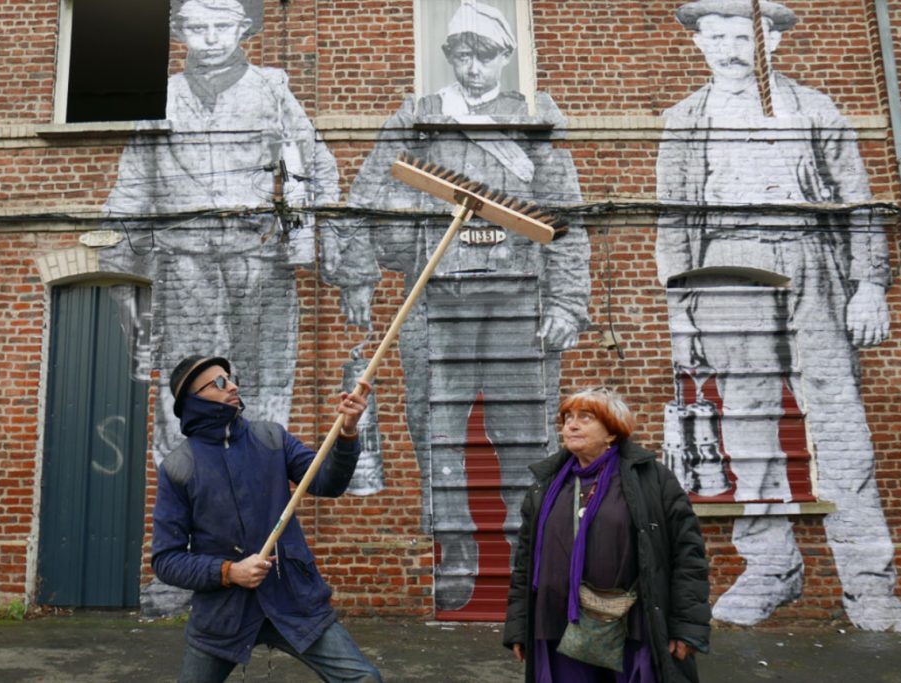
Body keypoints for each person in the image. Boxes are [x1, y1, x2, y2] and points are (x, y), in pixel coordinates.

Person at [656, 0, 901, 632]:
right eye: (713, 37)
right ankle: (771, 567)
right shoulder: (683, 119)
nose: (726, 48)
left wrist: (870, 287)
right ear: (699, 45)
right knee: (746, 421)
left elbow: (860, 202)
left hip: (812, 260)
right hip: (725, 265)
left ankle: (870, 585)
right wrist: (682, 313)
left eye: (740, 35)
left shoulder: (815, 108)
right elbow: (670, 220)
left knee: (840, 423)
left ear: (770, 40)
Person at [324, 0, 590, 611]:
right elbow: (365, 196)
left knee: (524, 436)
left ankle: (530, 559)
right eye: (461, 54)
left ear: (505, 56)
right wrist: (359, 276)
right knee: (436, 432)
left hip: (518, 299)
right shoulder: (418, 116)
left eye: (486, 54)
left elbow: (568, 218)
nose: (473, 66)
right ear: (449, 57)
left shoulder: (533, 117)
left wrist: (569, 304)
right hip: (432, 299)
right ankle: (455, 556)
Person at [100, 0, 340, 474]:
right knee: (189, 376)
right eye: (197, 27)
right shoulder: (160, 96)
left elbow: (318, 167)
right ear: (181, 33)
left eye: (221, 27)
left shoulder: (271, 89)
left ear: (243, 29)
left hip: (260, 261)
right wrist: (123, 279)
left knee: (266, 378)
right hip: (185, 265)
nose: (210, 38)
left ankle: (264, 478)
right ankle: (190, 484)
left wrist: (312, 240)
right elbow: (132, 187)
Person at [152, 354, 382, 683]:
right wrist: (229, 572)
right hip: (223, 615)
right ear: (193, 398)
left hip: (293, 601)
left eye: (230, 377)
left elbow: (327, 482)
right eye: (219, 382)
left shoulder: (271, 439)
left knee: (364, 679)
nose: (232, 386)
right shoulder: (179, 467)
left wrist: (347, 432)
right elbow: (166, 559)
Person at [503, 388, 710, 682]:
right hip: (557, 625)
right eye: (567, 418)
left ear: (612, 432)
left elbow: (688, 555)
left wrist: (687, 626)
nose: (571, 426)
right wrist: (519, 625)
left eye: (585, 418)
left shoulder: (651, 479)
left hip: (632, 625)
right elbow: (524, 561)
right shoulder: (547, 485)